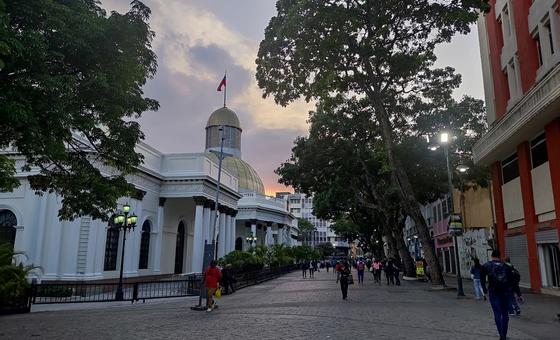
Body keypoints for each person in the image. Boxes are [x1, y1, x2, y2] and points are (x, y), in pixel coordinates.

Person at [481, 250, 514, 340]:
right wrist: (517, 293)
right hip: (505, 291)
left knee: (497, 313)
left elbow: (482, 279)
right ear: (500, 256)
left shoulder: (486, 265)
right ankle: (504, 334)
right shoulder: (506, 266)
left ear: (491, 256)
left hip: (493, 291)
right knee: (505, 314)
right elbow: (512, 281)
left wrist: (484, 289)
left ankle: (501, 335)